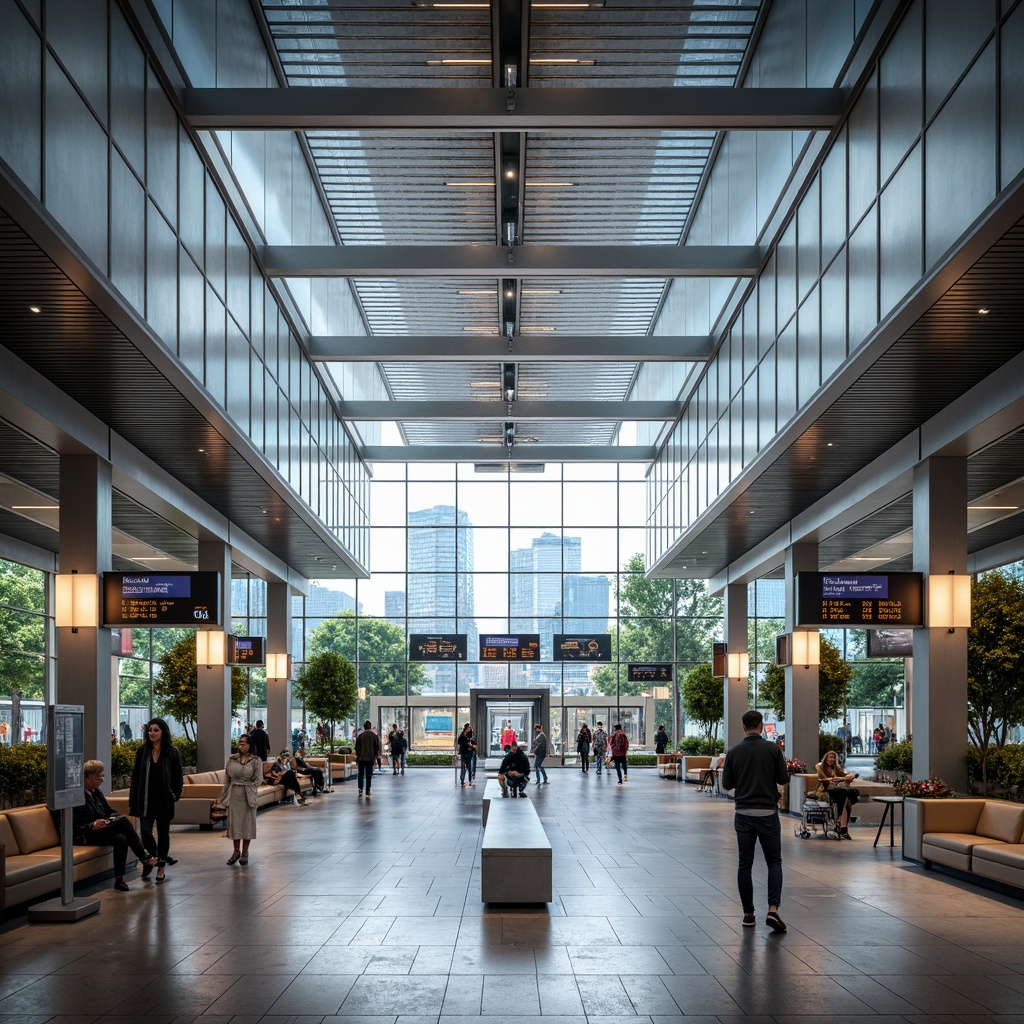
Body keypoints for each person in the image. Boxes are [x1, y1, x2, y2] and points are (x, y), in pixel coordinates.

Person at [720, 708, 790, 933]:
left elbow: (727, 784)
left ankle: (748, 914)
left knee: (744, 864)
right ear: (761, 726)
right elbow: (783, 778)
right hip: (768, 814)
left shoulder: (734, 752)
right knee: (774, 862)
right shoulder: (773, 749)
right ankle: (773, 909)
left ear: (743, 727)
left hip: (743, 815)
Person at [73, 759, 158, 890]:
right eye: (98, 776)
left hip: (101, 830)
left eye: (102, 775)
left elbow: (111, 812)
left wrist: (110, 819)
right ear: (86, 778)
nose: (102, 779)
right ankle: (143, 857)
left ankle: (119, 879)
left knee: (121, 838)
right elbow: (71, 826)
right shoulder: (76, 797)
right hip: (84, 834)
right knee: (123, 821)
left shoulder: (96, 792)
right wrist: (92, 825)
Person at [128, 717, 183, 884]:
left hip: (165, 800)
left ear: (162, 732)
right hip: (145, 800)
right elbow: (136, 777)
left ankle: (160, 868)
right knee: (145, 832)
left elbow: (178, 777)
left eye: (155, 730)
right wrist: (133, 799)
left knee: (163, 833)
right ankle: (157, 858)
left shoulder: (172, 752)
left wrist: (175, 794)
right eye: (150, 730)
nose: (152, 733)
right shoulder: (142, 751)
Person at [216, 733, 263, 865]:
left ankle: (245, 852)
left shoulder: (255, 760)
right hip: (234, 793)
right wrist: (223, 797)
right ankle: (235, 851)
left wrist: (250, 786)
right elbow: (227, 779)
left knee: (247, 824)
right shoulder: (232, 759)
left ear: (250, 745)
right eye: (240, 743)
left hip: (248, 795)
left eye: (244, 743)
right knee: (235, 824)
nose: (241, 746)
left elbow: (259, 778)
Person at [816, 749, 860, 839]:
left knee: (854, 792)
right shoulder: (820, 766)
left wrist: (849, 776)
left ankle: (842, 823)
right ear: (826, 758)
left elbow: (844, 774)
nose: (832, 759)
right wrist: (840, 778)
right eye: (830, 757)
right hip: (826, 789)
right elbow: (823, 779)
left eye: (833, 758)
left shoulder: (836, 767)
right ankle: (841, 820)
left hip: (838, 789)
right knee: (844, 793)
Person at [355, 720, 381, 798]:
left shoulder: (360, 736)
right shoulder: (374, 736)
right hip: (370, 758)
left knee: (360, 774)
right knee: (369, 774)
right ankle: (368, 791)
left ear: (364, 727)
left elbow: (357, 748)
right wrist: (376, 757)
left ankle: (360, 789)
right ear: (370, 727)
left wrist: (358, 757)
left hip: (361, 758)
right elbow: (377, 748)